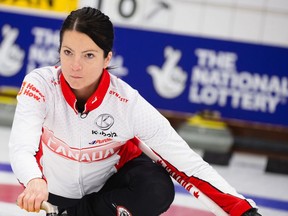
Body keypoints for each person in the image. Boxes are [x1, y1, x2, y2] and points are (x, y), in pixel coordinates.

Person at [9, 7, 261, 216]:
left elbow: (187, 162)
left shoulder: (126, 103)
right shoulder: (41, 84)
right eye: (68, 52)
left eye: (88, 55)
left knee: (157, 188)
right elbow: (22, 145)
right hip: (53, 189)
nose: (75, 66)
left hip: (103, 196)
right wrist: (33, 179)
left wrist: (244, 211)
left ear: (107, 58)